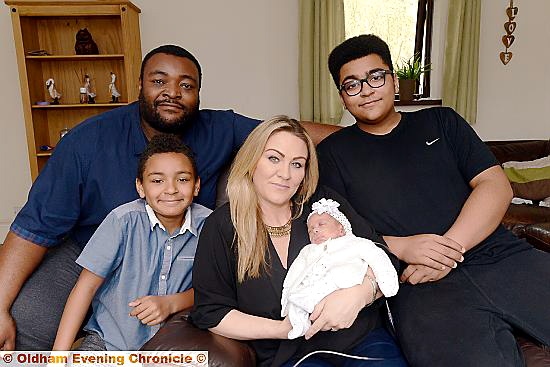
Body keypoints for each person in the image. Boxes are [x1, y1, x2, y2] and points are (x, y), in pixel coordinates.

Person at [0, 44, 262, 351]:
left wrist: (336, 141)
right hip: (85, 251)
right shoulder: (88, 140)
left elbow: (285, 135)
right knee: (27, 323)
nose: (172, 92)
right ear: (140, 86)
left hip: (171, 254)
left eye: (186, 85)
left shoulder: (220, 128)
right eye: (159, 81)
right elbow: (35, 225)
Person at [317, 34, 550, 366]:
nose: (366, 89)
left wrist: (446, 250)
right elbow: (337, 230)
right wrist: (402, 247)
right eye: (352, 84)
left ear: (393, 80)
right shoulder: (332, 154)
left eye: (376, 76)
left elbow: (495, 185)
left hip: (499, 257)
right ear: (342, 97)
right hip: (417, 285)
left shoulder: (441, 121)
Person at [191, 116, 407, 367]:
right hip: (290, 355)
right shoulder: (222, 225)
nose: (285, 174)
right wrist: (284, 329)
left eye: (297, 164)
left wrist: (360, 294)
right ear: (252, 161)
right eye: (274, 158)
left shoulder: (323, 205)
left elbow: (383, 256)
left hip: (361, 341)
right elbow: (212, 313)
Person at [53, 134, 211, 351]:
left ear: (196, 186)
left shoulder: (211, 226)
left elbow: (218, 291)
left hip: (171, 347)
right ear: (140, 187)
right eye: (157, 180)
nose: (171, 189)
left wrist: (172, 302)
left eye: (182, 179)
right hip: (109, 343)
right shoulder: (122, 221)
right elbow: (86, 287)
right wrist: (58, 357)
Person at [281, 198, 399, 340]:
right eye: (310, 229)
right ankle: (299, 324)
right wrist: (287, 296)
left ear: (341, 229)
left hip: (344, 283)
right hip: (315, 286)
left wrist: (388, 283)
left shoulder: (355, 243)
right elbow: (295, 272)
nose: (315, 230)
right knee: (299, 299)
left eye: (321, 224)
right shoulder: (308, 251)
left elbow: (377, 257)